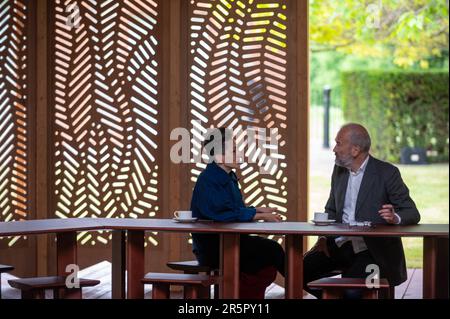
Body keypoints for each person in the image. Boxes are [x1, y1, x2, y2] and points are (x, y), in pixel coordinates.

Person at [304, 123, 420, 298]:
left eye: (339, 143)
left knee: (354, 291)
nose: (334, 148)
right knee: (298, 271)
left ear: (355, 150)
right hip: (340, 245)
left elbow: (411, 212)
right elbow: (331, 209)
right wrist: (323, 236)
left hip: (372, 251)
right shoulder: (339, 171)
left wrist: (394, 217)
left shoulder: (387, 173)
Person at [190, 128, 285, 298]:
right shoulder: (208, 179)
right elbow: (221, 215)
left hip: (231, 241)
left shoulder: (229, 177)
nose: (239, 153)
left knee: (270, 257)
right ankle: (303, 284)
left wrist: (256, 210)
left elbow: (234, 210)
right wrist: (259, 215)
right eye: (233, 150)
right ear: (219, 156)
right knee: (273, 250)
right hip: (214, 247)